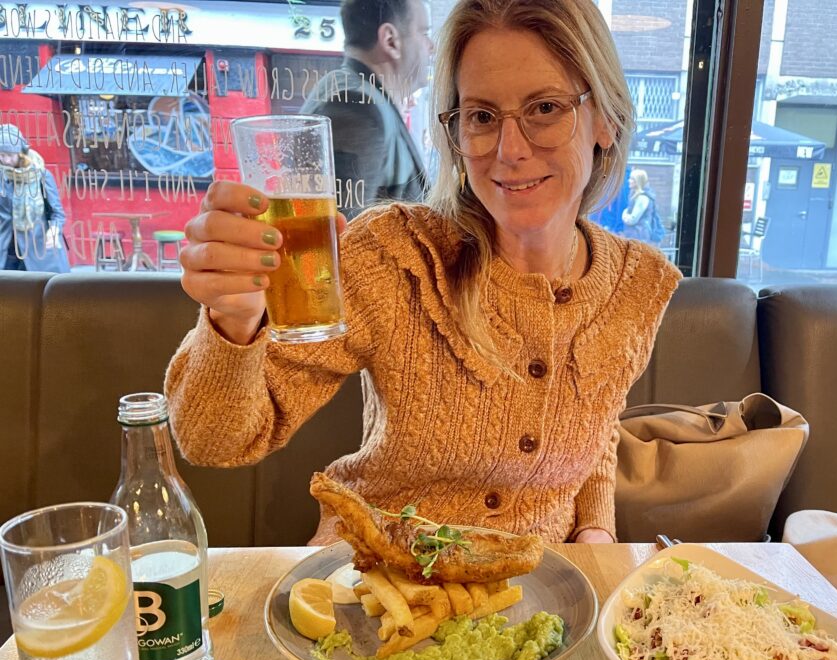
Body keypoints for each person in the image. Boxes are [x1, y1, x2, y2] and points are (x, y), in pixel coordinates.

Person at [165, 0, 682, 546]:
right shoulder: (396, 258)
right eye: (481, 116)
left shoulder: (636, 285)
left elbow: (596, 427)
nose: (509, 150)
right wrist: (234, 321)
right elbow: (212, 441)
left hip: (540, 600)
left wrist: (596, 531)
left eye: (545, 108)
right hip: (376, 589)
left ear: (605, 119)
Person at [301, 0, 434, 220]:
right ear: (390, 40)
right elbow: (344, 241)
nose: (432, 46)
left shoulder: (358, 94)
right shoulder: (356, 107)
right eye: (424, 32)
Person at [0, 124, 69, 273]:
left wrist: (54, 230)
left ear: (21, 153)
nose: (4, 160)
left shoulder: (41, 176)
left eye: (9, 155)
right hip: (7, 253)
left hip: (39, 251)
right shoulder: (1, 177)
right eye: (1, 155)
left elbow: (57, 213)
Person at [621, 168, 660, 244]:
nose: (629, 181)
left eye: (632, 179)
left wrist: (624, 213)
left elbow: (632, 220)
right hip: (636, 236)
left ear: (637, 181)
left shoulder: (642, 198)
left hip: (640, 237)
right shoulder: (634, 195)